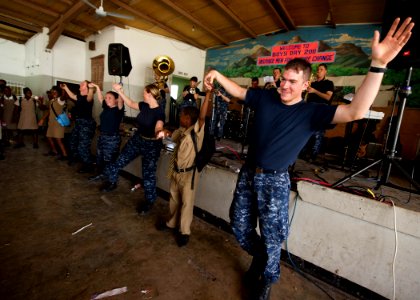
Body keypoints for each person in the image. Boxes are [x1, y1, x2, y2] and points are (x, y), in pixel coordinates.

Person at [203, 17, 414, 300]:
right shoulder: (265, 98)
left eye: (292, 82)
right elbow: (240, 91)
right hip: (248, 174)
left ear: (306, 83)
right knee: (239, 226)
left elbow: (356, 111)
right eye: (282, 80)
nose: (284, 86)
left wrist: (378, 65)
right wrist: (216, 73)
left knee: (273, 236)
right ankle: (264, 257)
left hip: (275, 180)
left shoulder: (311, 113)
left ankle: (267, 277)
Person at [155, 90, 211, 247]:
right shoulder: (181, 131)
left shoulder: (196, 132)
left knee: (187, 203)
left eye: (182, 115)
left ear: (188, 118)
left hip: (189, 175)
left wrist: (207, 96)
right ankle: (172, 223)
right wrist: (164, 133)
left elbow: (201, 116)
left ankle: (184, 231)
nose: (179, 117)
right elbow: (171, 136)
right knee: (174, 199)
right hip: (176, 172)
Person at [100, 83, 165, 215]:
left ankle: (149, 201)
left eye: (144, 92)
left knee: (148, 175)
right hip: (138, 139)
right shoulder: (144, 105)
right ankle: (112, 182)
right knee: (119, 161)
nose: (143, 94)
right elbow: (130, 103)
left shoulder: (159, 112)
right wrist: (120, 92)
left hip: (151, 145)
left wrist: (160, 132)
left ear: (150, 94)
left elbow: (159, 126)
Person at [88, 83, 124, 181]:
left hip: (112, 139)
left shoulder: (118, 109)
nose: (106, 99)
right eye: (106, 97)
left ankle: (112, 182)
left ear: (116, 100)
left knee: (110, 161)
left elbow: (121, 100)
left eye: (109, 98)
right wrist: (97, 87)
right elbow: (100, 98)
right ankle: (101, 175)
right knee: (100, 158)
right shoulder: (107, 108)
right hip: (102, 137)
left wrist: (119, 90)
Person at [301, 63, 335, 161]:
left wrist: (314, 91)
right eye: (318, 69)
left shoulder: (328, 83)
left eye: (321, 69)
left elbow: (328, 97)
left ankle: (313, 156)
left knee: (318, 135)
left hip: (321, 112)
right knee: (306, 133)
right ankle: (302, 153)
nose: (319, 71)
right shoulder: (313, 83)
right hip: (309, 111)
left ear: (325, 72)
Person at [61, 81, 96, 173]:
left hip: (86, 124)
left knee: (83, 147)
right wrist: (65, 88)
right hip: (79, 123)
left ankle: (89, 165)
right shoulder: (79, 97)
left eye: (83, 84)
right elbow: (72, 96)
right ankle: (77, 158)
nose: (80, 84)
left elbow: (90, 97)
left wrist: (91, 88)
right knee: (72, 142)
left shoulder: (89, 98)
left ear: (87, 87)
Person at [38, 85, 69, 160]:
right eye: (52, 92)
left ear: (58, 92)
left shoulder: (60, 100)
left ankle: (65, 155)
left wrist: (63, 89)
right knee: (48, 137)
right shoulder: (51, 101)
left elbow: (64, 96)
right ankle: (54, 151)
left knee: (58, 140)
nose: (53, 93)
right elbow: (49, 111)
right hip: (51, 123)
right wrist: (42, 119)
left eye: (55, 92)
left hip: (58, 123)